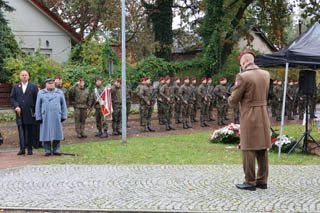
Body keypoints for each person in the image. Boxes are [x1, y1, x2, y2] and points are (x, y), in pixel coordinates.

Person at [228, 50, 271, 191]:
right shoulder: (266, 74)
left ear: (243, 62)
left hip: (249, 114)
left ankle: (250, 181)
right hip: (263, 113)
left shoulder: (243, 76)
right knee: (262, 147)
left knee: (248, 147)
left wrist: (230, 96)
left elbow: (234, 100)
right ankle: (262, 181)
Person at [36, 78, 67, 156]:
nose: (51, 84)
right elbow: (38, 106)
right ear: (46, 84)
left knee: (57, 133)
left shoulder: (59, 92)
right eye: (49, 83)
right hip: (45, 116)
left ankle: (56, 149)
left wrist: (64, 115)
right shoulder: (41, 93)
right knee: (46, 133)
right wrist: (38, 117)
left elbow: (63, 105)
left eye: (52, 83)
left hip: (56, 116)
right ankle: (47, 150)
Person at [10, 70, 38, 155]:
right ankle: (22, 149)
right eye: (22, 75)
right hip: (20, 112)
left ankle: (29, 149)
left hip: (30, 112)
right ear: (20, 77)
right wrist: (16, 106)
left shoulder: (33, 86)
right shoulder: (15, 87)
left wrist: (36, 111)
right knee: (21, 131)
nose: (24, 76)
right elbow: (12, 98)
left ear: (28, 76)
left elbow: (37, 99)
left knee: (30, 130)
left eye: (26, 75)